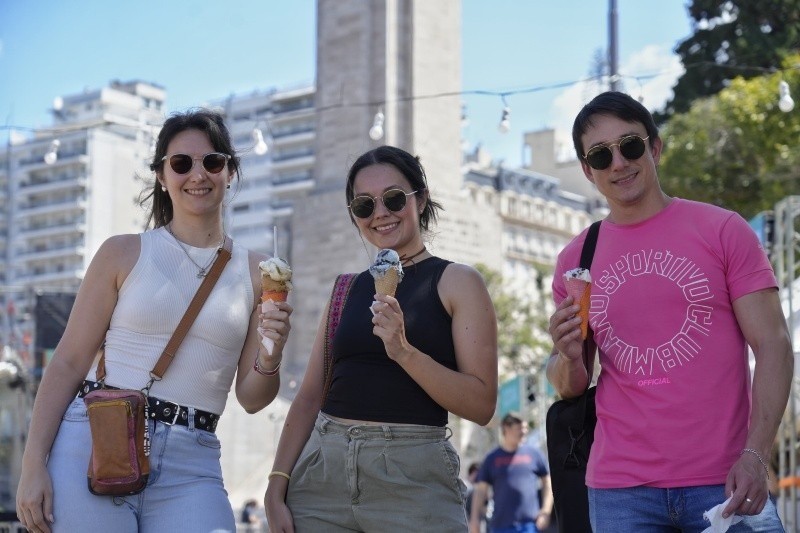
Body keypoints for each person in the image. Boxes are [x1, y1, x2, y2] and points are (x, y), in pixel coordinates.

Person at [16, 109, 292, 533]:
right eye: (181, 163)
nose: (197, 174)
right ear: (162, 175)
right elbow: (69, 362)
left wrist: (272, 351)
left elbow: (254, 399)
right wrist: (32, 465)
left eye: (212, 162)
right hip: (95, 440)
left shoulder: (260, 273)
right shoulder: (122, 253)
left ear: (230, 172)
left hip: (192, 460)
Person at [546, 91, 793, 531]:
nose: (619, 163)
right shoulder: (576, 258)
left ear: (655, 147)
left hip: (726, 481)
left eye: (631, 146)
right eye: (601, 156)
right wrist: (565, 356)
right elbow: (572, 384)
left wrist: (757, 454)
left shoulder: (722, 230)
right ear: (587, 171)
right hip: (621, 490)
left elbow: (774, 345)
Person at [264, 145, 498, 532]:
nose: (381, 213)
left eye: (393, 198)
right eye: (364, 205)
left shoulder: (458, 281)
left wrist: (404, 352)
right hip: (323, 478)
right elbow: (308, 397)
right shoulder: (346, 289)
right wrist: (277, 485)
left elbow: (482, 404)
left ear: (420, 199)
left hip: (414, 484)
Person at [469, 413, 553, 533]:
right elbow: (481, 490)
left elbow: (547, 482)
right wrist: (474, 519)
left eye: (525, 428)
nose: (524, 432)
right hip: (500, 526)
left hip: (530, 525)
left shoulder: (534, 454)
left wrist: (546, 511)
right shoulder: (492, 458)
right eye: (519, 428)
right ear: (506, 428)